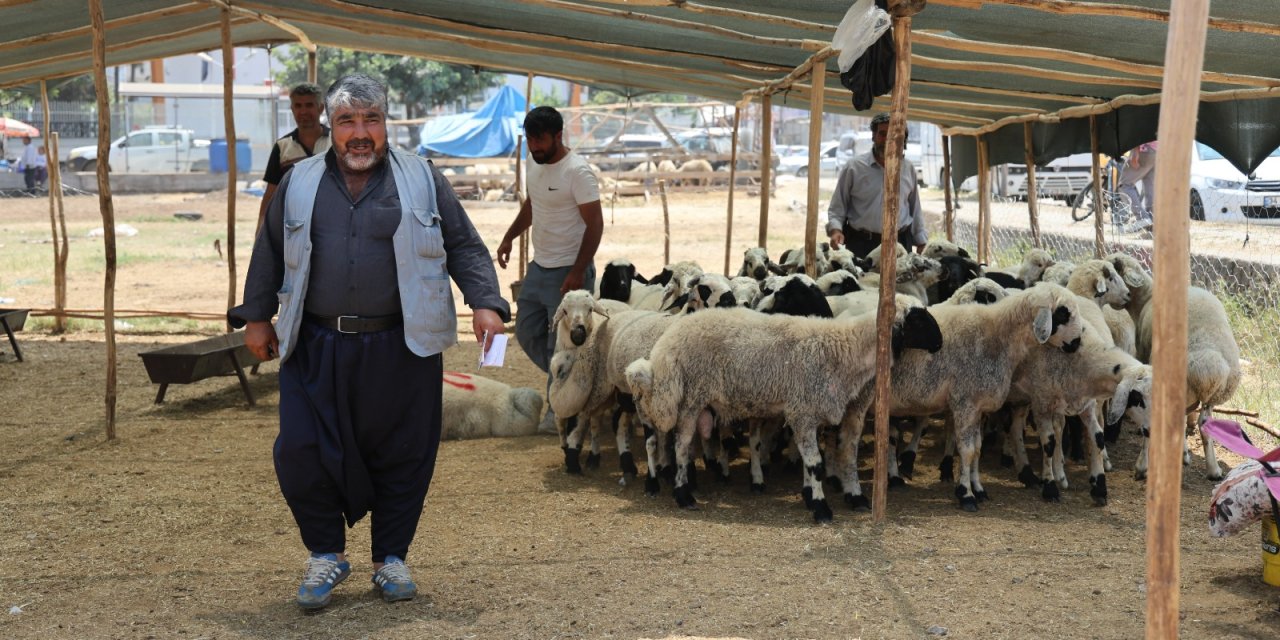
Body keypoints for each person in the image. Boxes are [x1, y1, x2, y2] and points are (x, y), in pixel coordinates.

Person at [228, 74, 509, 611]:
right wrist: (257, 317)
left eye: (371, 120)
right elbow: (267, 250)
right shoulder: (298, 181)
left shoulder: (424, 179)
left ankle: (391, 559)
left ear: (386, 123)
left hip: (402, 345)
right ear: (330, 126)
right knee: (300, 451)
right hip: (315, 344)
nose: (360, 133)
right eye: (348, 122)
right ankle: (325, 553)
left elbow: (465, 246)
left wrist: (487, 304)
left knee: (404, 452)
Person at [494, 106, 603, 431]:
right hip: (540, 267)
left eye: (540, 140)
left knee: (562, 341)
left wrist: (577, 272)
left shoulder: (578, 173)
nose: (534, 147)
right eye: (530, 140)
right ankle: (581, 383)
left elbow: (595, 226)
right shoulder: (533, 163)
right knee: (526, 331)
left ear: (558, 136)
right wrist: (509, 237)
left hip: (570, 270)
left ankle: (559, 411)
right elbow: (533, 204)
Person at [826, 113, 926, 258]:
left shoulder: (908, 169)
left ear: (903, 139)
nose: (887, 140)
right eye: (882, 134)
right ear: (873, 136)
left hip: (900, 245)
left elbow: (915, 210)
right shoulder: (854, 168)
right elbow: (837, 207)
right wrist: (836, 231)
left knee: (899, 281)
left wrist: (922, 242)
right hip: (862, 245)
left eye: (894, 135)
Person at [257, 82, 331, 233]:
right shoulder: (282, 147)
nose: (303, 111)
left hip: (331, 225)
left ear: (321, 108)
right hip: (293, 228)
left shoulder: (337, 143)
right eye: (298, 106)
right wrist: (260, 231)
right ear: (292, 109)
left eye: (309, 105)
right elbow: (271, 194)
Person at [1119, 140, 1156, 232]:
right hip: (1158, 150)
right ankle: (1152, 224)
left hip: (1144, 149)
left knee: (1124, 185)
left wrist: (1135, 152)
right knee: (1150, 188)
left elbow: (1138, 129)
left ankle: (1142, 217)